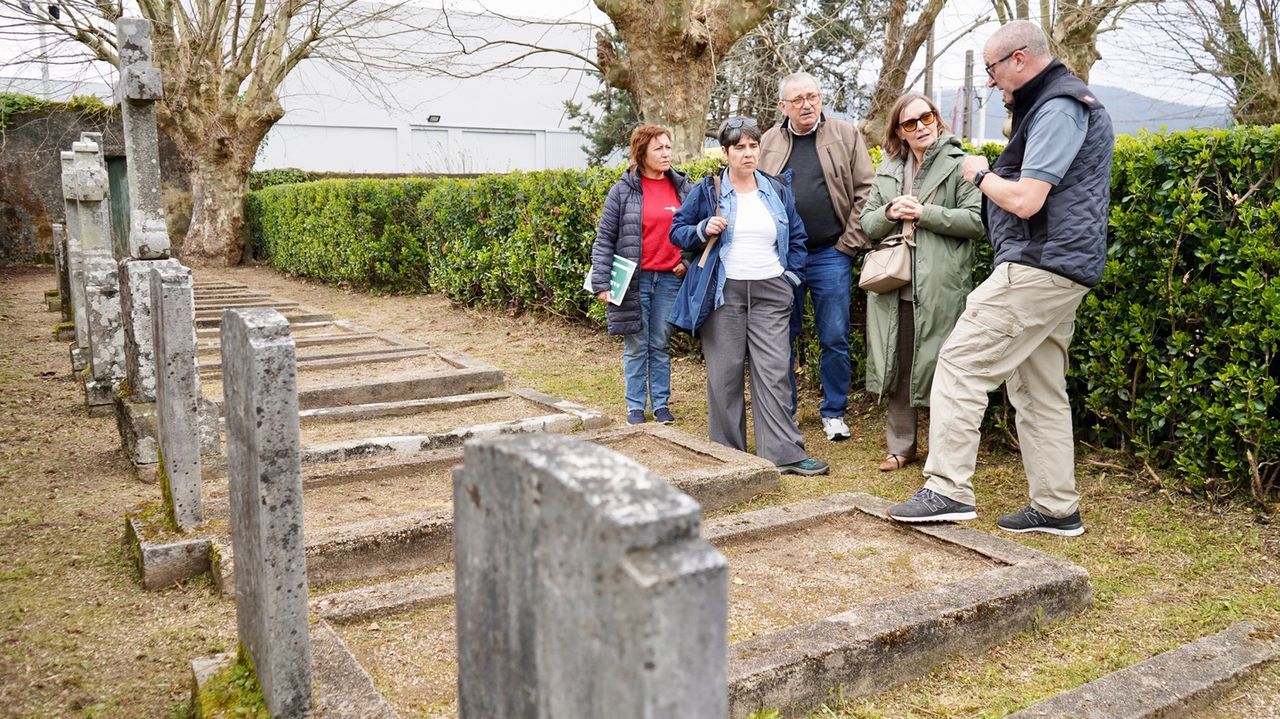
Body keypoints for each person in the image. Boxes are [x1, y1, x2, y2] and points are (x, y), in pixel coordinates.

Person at [887, 20, 1114, 536]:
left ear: (1018, 58)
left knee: (961, 362)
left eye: (991, 68)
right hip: (1061, 266)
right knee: (1038, 389)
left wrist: (981, 175)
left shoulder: (1058, 106)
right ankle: (1057, 508)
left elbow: (1028, 199)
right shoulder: (1056, 103)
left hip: (1039, 265)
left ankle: (947, 490)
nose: (990, 81)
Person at [669, 118, 829, 476]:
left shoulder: (777, 189)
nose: (747, 153)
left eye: (753, 146)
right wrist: (700, 228)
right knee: (724, 374)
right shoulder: (707, 191)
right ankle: (728, 457)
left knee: (774, 372)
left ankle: (784, 454)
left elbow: (798, 238)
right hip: (723, 291)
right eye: (739, 147)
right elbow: (676, 231)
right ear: (725, 153)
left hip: (772, 289)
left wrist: (790, 278)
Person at [861, 93, 983, 473]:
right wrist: (888, 210)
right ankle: (901, 447)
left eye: (926, 117)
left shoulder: (961, 163)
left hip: (942, 285)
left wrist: (924, 213)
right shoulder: (889, 169)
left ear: (937, 118)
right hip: (893, 284)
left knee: (943, 369)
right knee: (898, 367)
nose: (921, 127)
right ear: (899, 131)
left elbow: (977, 221)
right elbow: (867, 225)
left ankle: (943, 452)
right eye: (910, 123)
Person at [759, 72, 875, 442]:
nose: (807, 104)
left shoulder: (845, 134)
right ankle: (785, 411)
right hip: (783, 259)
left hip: (831, 253)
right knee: (781, 337)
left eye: (813, 96)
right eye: (798, 100)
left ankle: (834, 412)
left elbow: (866, 191)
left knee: (835, 336)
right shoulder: (768, 141)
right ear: (783, 107)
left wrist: (848, 243)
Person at [591, 124, 692, 425]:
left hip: (669, 279)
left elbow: (698, 233)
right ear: (642, 153)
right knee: (636, 344)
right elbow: (605, 238)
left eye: (668, 147)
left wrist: (686, 261)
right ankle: (635, 405)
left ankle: (661, 404)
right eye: (658, 148)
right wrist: (601, 282)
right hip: (634, 281)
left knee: (660, 343)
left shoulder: (682, 187)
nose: (666, 153)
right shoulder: (622, 191)